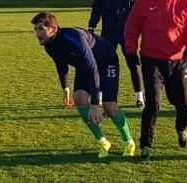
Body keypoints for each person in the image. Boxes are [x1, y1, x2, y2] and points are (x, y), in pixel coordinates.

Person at [32, 11, 136, 158]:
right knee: (79, 98)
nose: (37, 33)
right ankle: (103, 142)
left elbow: (93, 69)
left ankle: (129, 142)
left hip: (106, 62)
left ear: (53, 29)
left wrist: (94, 105)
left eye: (41, 29)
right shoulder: (49, 44)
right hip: (85, 66)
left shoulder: (73, 38)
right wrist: (65, 88)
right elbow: (61, 65)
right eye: (35, 29)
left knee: (109, 106)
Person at [124, 0, 187, 160]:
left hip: (177, 62)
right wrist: (131, 51)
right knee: (153, 103)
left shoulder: (185, 4)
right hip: (151, 60)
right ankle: (146, 144)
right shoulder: (144, 2)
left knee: (184, 106)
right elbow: (131, 28)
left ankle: (181, 129)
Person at [88, 0, 144, 108]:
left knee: (133, 65)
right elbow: (96, 9)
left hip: (128, 34)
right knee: (102, 64)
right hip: (107, 33)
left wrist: (141, 30)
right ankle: (99, 96)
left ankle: (139, 97)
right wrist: (91, 27)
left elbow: (141, 12)